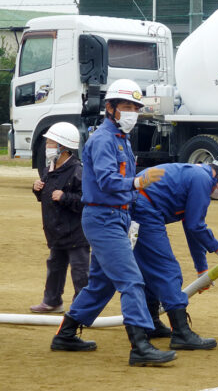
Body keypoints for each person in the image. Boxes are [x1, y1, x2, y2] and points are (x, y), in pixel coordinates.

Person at [50, 79, 176, 367]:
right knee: (131, 280)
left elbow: (119, 184)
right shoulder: (104, 140)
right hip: (103, 216)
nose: (132, 112)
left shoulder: (120, 139)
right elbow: (107, 181)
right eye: (126, 106)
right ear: (110, 108)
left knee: (101, 284)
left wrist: (132, 196)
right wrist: (136, 181)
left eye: (135, 107)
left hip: (115, 216)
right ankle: (140, 345)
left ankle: (66, 333)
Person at [130, 154, 218, 350]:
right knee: (168, 271)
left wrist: (202, 269)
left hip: (141, 206)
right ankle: (181, 333)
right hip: (145, 210)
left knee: (151, 270)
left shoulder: (198, 176)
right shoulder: (202, 180)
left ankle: (150, 323)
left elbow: (190, 226)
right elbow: (196, 226)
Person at [30, 122, 90, 313]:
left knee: (80, 273)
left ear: (63, 147)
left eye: (50, 142)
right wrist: (38, 190)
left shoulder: (77, 171)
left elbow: (86, 200)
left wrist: (65, 197)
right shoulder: (50, 168)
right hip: (56, 231)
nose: (47, 146)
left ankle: (82, 308)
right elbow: (48, 197)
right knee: (54, 268)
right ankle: (52, 301)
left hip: (75, 233)